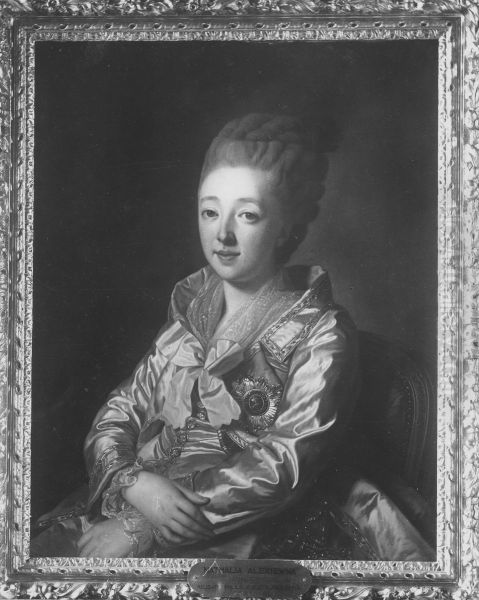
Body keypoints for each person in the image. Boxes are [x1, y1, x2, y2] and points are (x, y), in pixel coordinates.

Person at [31, 114, 434, 560]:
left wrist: (146, 524)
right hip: (147, 491)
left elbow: (284, 463)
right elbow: (119, 411)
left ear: (287, 226)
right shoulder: (192, 312)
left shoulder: (322, 330)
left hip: (244, 516)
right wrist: (134, 482)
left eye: (247, 215)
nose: (222, 234)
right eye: (210, 211)